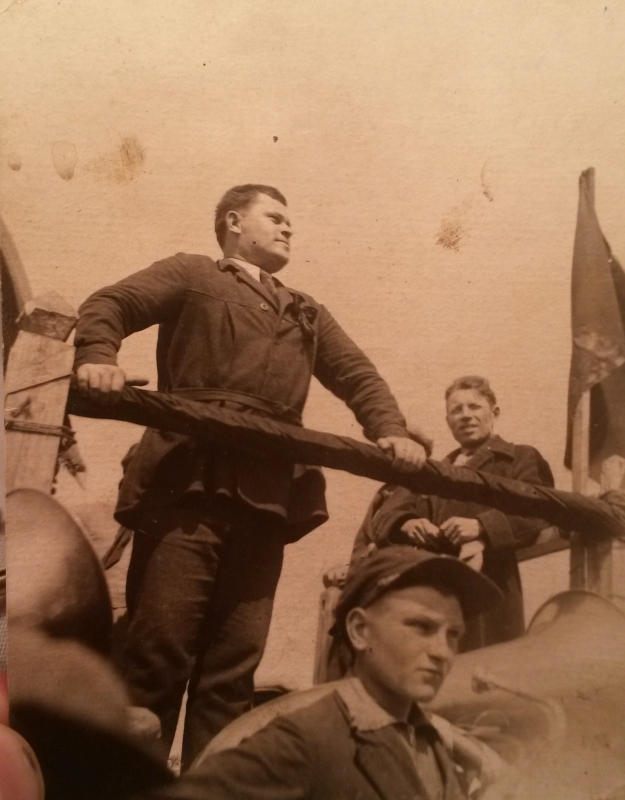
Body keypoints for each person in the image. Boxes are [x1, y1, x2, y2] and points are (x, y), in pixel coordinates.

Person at [73, 184, 430, 767]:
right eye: (276, 217)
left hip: (267, 498)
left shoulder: (307, 310)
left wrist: (390, 429)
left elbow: (358, 375)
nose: (289, 229)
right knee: (157, 654)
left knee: (233, 668)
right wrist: (97, 358)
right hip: (187, 484)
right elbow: (110, 303)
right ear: (235, 222)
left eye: (291, 221)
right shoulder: (191, 273)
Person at [133, 546, 503, 800]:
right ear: (359, 631)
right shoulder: (304, 738)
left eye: (454, 635)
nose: (442, 651)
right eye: (421, 627)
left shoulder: (431, 742)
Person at [348, 375, 554, 651]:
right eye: (456, 410)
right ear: (448, 421)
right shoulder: (434, 471)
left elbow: (541, 509)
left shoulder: (520, 457)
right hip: (434, 595)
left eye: (474, 406)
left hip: (490, 592)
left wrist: (481, 527)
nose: (465, 415)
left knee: (486, 667)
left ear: (494, 413)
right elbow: (386, 515)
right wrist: (407, 523)